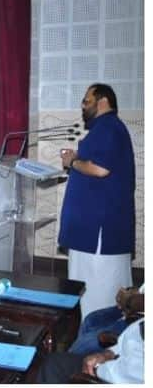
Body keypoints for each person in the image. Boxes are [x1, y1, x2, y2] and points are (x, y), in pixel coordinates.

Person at [59, 84, 136, 319]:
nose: (83, 106)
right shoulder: (110, 128)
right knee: (102, 294)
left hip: (97, 233)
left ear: (102, 101)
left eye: (86, 101)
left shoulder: (108, 127)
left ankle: (95, 345)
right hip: (97, 230)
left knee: (97, 296)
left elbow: (100, 169)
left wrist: (72, 161)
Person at [36, 318, 144, 384]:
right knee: (55, 362)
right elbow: (132, 338)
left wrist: (96, 370)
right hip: (113, 363)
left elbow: (126, 376)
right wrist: (107, 354)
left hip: (113, 378)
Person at [69, 285, 144, 356]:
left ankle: (70, 361)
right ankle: (123, 309)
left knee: (89, 343)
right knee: (91, 321)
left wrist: (130, 301)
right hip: (133, 314)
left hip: (138, 326)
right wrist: (127, 296)